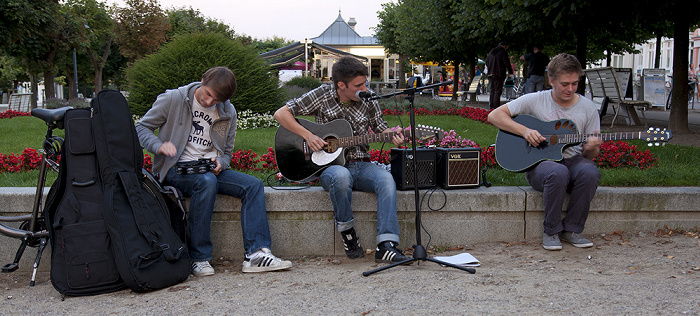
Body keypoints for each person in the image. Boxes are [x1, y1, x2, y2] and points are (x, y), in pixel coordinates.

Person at [135, 67, 292, 276]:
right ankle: (198, 258)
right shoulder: (174, 99)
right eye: (208, 94)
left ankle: (256, 254)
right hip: (175, 170)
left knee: (253, 185)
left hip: (209, 170)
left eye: (216, 100)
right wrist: (158, 146)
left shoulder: (228, 111)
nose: (209, 102)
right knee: (206, 182)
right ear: (202, 81)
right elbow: (141, 127)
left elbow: (227, 153)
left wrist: (221, 162)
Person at [273, 56, 408, 263]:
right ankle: (348, 233)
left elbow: (381, 127)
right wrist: (308, 136)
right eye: (358, 85)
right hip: (330, 168)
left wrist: (393, 135)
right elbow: (281, 113)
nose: (364, 89)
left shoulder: (368, 98)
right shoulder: (322, 95)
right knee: (341, 176)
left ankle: (386, 245)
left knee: (386, 180)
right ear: (340, 85)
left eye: (365, 83)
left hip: (362, 165)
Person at [487, 53, 602, 251]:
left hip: (572, 161)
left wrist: (592, 148)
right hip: (540, 165)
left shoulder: (588, 108)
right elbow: (494, 116)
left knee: (590, 171)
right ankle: (551, 230)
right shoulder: (535, 100)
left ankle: (572, 229)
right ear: (551, 80)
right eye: (565, 84)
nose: (570, 89)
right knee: (557, 172)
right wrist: (525, 131)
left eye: (575, 84)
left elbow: (588, 157)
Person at [486, 41, 514, 109]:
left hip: (490, 73)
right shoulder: (502, 52)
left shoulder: (491, 51)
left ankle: (491, 105)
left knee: (492, 90)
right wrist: (510, 72)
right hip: (499, 73)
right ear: (505, 46)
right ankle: (496, 106)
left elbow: (487, 62)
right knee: (498, 90)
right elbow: (506, 62)